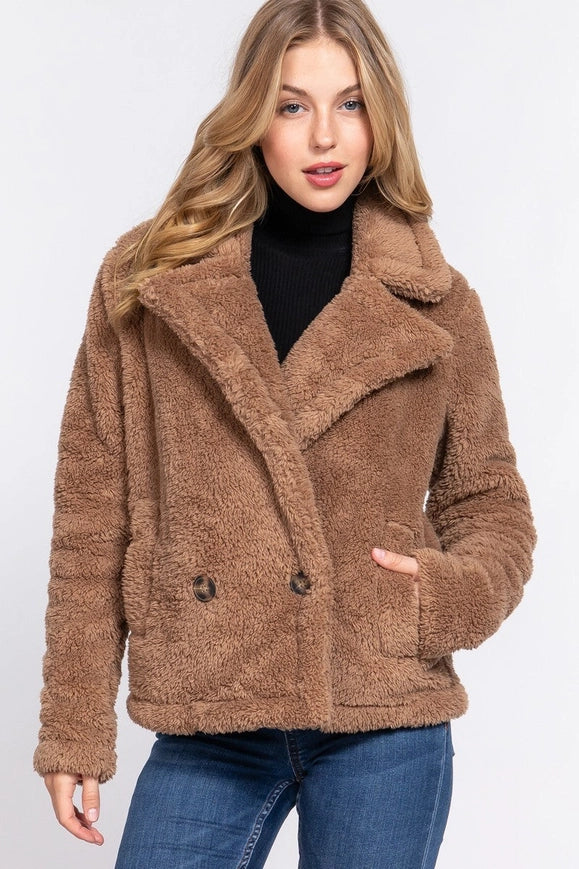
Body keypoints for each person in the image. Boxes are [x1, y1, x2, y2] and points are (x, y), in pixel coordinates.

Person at [33, 1, 537, 866]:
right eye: (292, 105)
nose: (324, 136)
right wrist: (75, 720)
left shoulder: (437, 301)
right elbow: (92, 514)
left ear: (381, 117)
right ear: (251, 116)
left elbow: (489, 500)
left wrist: (440, 597)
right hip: (210, 701)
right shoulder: (149, 280)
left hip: (380, 704)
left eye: (351, 103)